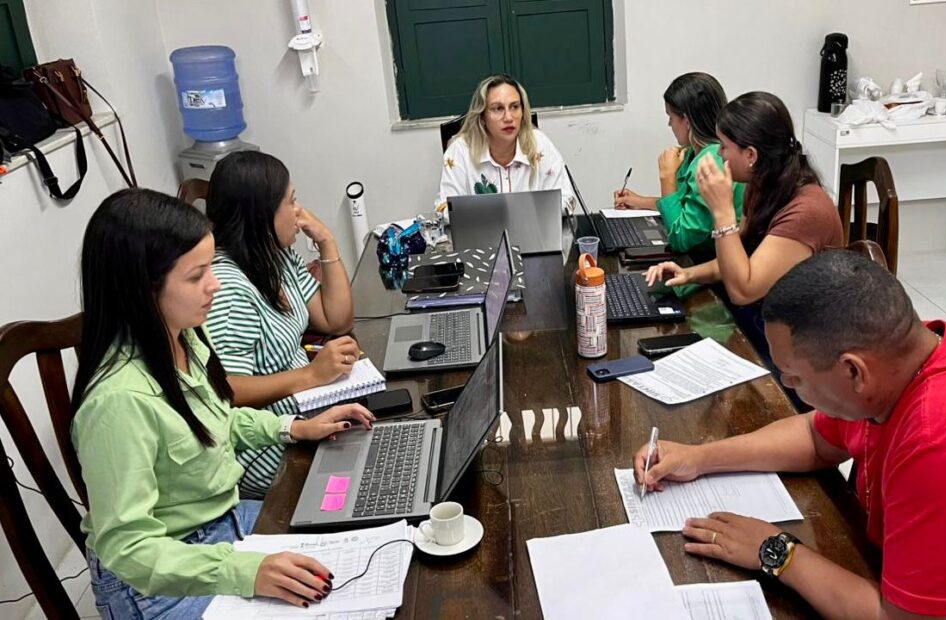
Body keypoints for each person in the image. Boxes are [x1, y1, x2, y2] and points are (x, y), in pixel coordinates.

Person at [634, 251, 946, 620]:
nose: (787, 384)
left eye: (794, 377)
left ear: (853, 371)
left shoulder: (945, 445)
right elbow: (816, 436)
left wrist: (778, 552)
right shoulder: (901, 361)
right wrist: (699, 458)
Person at [71, 189, 376, 619]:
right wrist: (245, 570)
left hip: (226, 522)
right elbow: (129, 548)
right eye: (196, 276)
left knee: (357, 543)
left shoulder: (184, 338)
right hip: (159, 580)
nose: (214, 285)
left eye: (210, 267)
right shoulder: (117, 402)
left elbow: (215, 423)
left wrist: (292, 427)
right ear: (142, 287)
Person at [645, 91, 843, 395]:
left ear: (751, 155)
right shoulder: (762, 186)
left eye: (724, 146)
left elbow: (743, 290)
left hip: (803, 349)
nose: (719, 154)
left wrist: (722, 211)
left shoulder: (806, 210)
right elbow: (742, 258)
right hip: (767, 321)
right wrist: (689, 274)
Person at [205, 151, 357, 498]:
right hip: (268, 451)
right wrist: (311, 375)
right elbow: (228, 390)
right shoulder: (229, 289)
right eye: (291, 201)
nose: (299, 211)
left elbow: (336, 320)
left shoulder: (276, 256)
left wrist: (326, 240)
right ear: (260, 215)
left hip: (304, 417)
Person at [613, 72, 744, 256]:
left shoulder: (710, 164)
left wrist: (666, 176)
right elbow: (685, 206)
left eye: (671, 117)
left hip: (708, 261)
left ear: (687, 121)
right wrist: (638, 201)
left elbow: (680, 239)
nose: (669, 124)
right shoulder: (693, 152)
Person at [436, 74, 575, 213]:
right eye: (497, 108)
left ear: (523, 112)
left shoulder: (539, 143)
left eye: (515, 107)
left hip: (535, 226)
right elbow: (444, 207)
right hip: (480, 227)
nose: (508, 117)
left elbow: (566, 198)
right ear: (482, 116)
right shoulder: (460, 150)